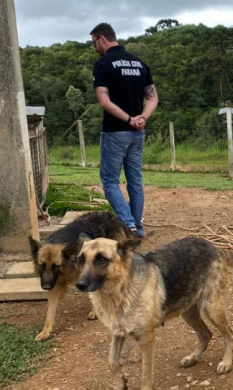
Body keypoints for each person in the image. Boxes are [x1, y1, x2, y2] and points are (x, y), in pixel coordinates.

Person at [90, 23, 158, 237]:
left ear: (102, 38)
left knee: (110, 181)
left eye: (94, 42)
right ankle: (137, 228)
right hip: (138, 132)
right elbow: (152, 97)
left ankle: (128, 224)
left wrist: (129, 119)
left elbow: (103, 100)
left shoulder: (102, 64)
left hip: (114, 132)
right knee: (135, 180)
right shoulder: (140, 64)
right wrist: (142, 118)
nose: (94, 47)